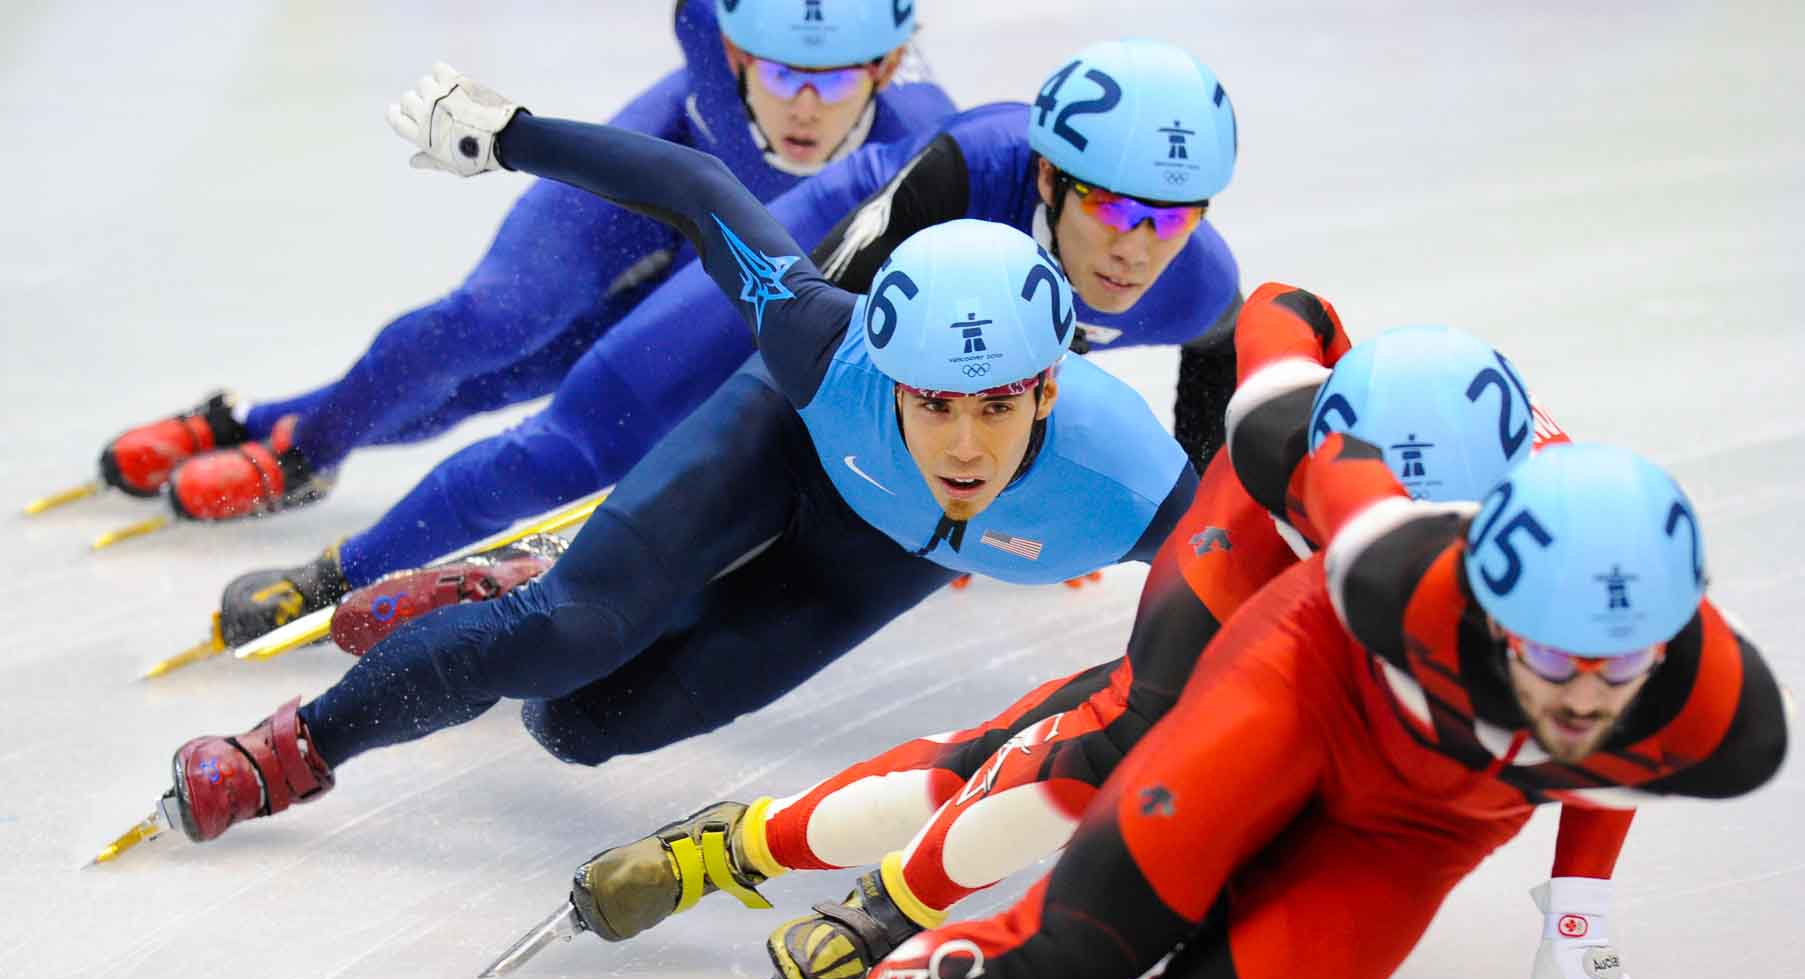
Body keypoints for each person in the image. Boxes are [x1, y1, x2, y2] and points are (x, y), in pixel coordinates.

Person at [555, 348, 1787, 979]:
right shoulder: (1378, 555)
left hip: (1416, 822)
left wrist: (1576, 914)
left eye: (1613, 670)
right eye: (1542, 656)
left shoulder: (1714, 720)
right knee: (1068, 869)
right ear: (1472, 578)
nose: (1575, 697)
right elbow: (1271, 389)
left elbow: (1607, 761)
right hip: (1290, 679)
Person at [493, 284, 1693, 979]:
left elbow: (1615, 723)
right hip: (1250, 611)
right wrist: (894, 909)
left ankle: (817, 878)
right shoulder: (1281, 478)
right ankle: (746, 850)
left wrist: (1577, 915)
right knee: (1084, 755)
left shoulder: (1583, 539)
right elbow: (1282, 313)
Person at [141, 65, 1212, 858]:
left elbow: (1271, 575)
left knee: (586, 725)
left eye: (997, 408)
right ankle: (292, 747)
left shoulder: (1127, 481)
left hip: (874, 557)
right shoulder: (818, 343)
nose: (966, 447)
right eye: (928, 404)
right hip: (783, 441)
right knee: (563, 636)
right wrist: (510, 135)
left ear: (1050, 390)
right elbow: (699, 190)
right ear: (878, 365)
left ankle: (513, 586)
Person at [206, 35, 1245, 649]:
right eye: (1111, 209)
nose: (1134, 248)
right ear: (1051, 181)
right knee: (575, 446)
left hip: (918, 386)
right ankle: (343, 567)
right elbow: (815, 320)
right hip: (803, 283)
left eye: (1169, 218)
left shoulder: (1196, 284)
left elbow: (1208, 394)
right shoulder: (962, 168)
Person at [73, 0, 947, 530]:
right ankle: (307, 450)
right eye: (778, 71)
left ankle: (251, 419)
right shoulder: (702, 22)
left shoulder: (922, 144)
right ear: (729, 52)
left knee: (523, 384)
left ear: (887, 67)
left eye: (835, 82)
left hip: (739, 252)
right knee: (492, 319)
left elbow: (958, 309)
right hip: (658, 160)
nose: (803, 104)